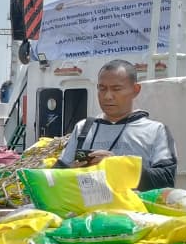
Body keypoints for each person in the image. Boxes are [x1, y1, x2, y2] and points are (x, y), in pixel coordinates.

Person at [56, 59, 177, 190]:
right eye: (102, 89)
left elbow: (166, 179)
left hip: (133, 204)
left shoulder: (155, 130)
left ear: (135, 90)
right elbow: (57, 174)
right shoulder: (83, 128)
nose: (107, 96)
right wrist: (71, 173)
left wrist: (118, 166)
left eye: (116, 89)